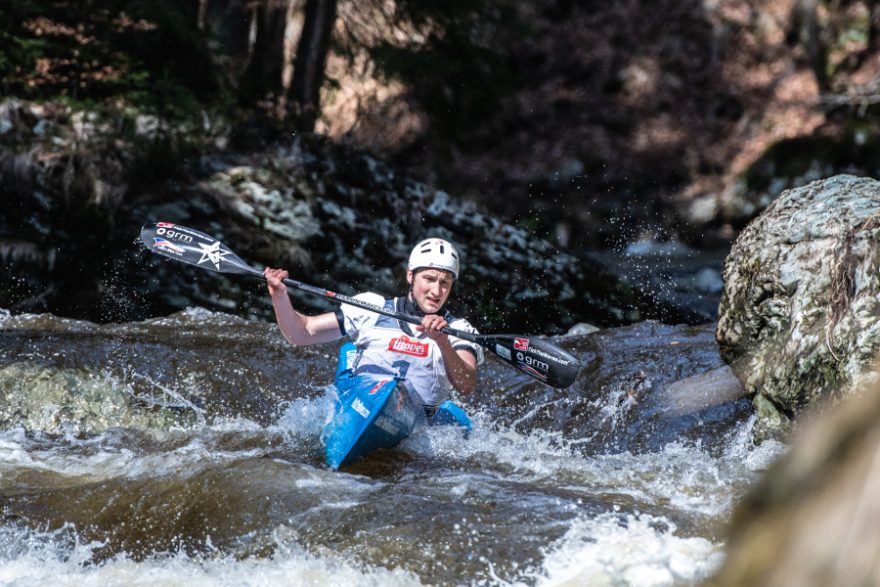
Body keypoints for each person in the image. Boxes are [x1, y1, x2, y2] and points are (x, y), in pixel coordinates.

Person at [263, 238, 484, 417]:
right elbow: (302, 333)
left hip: (416, 421)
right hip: (362, 406)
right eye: (429, 279)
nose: (436, 291)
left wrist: (442, 342)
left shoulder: (458, 329)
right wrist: (279, 296)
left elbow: (466, 385)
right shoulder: (371, 308)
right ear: (410, 275)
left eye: (445, 282)